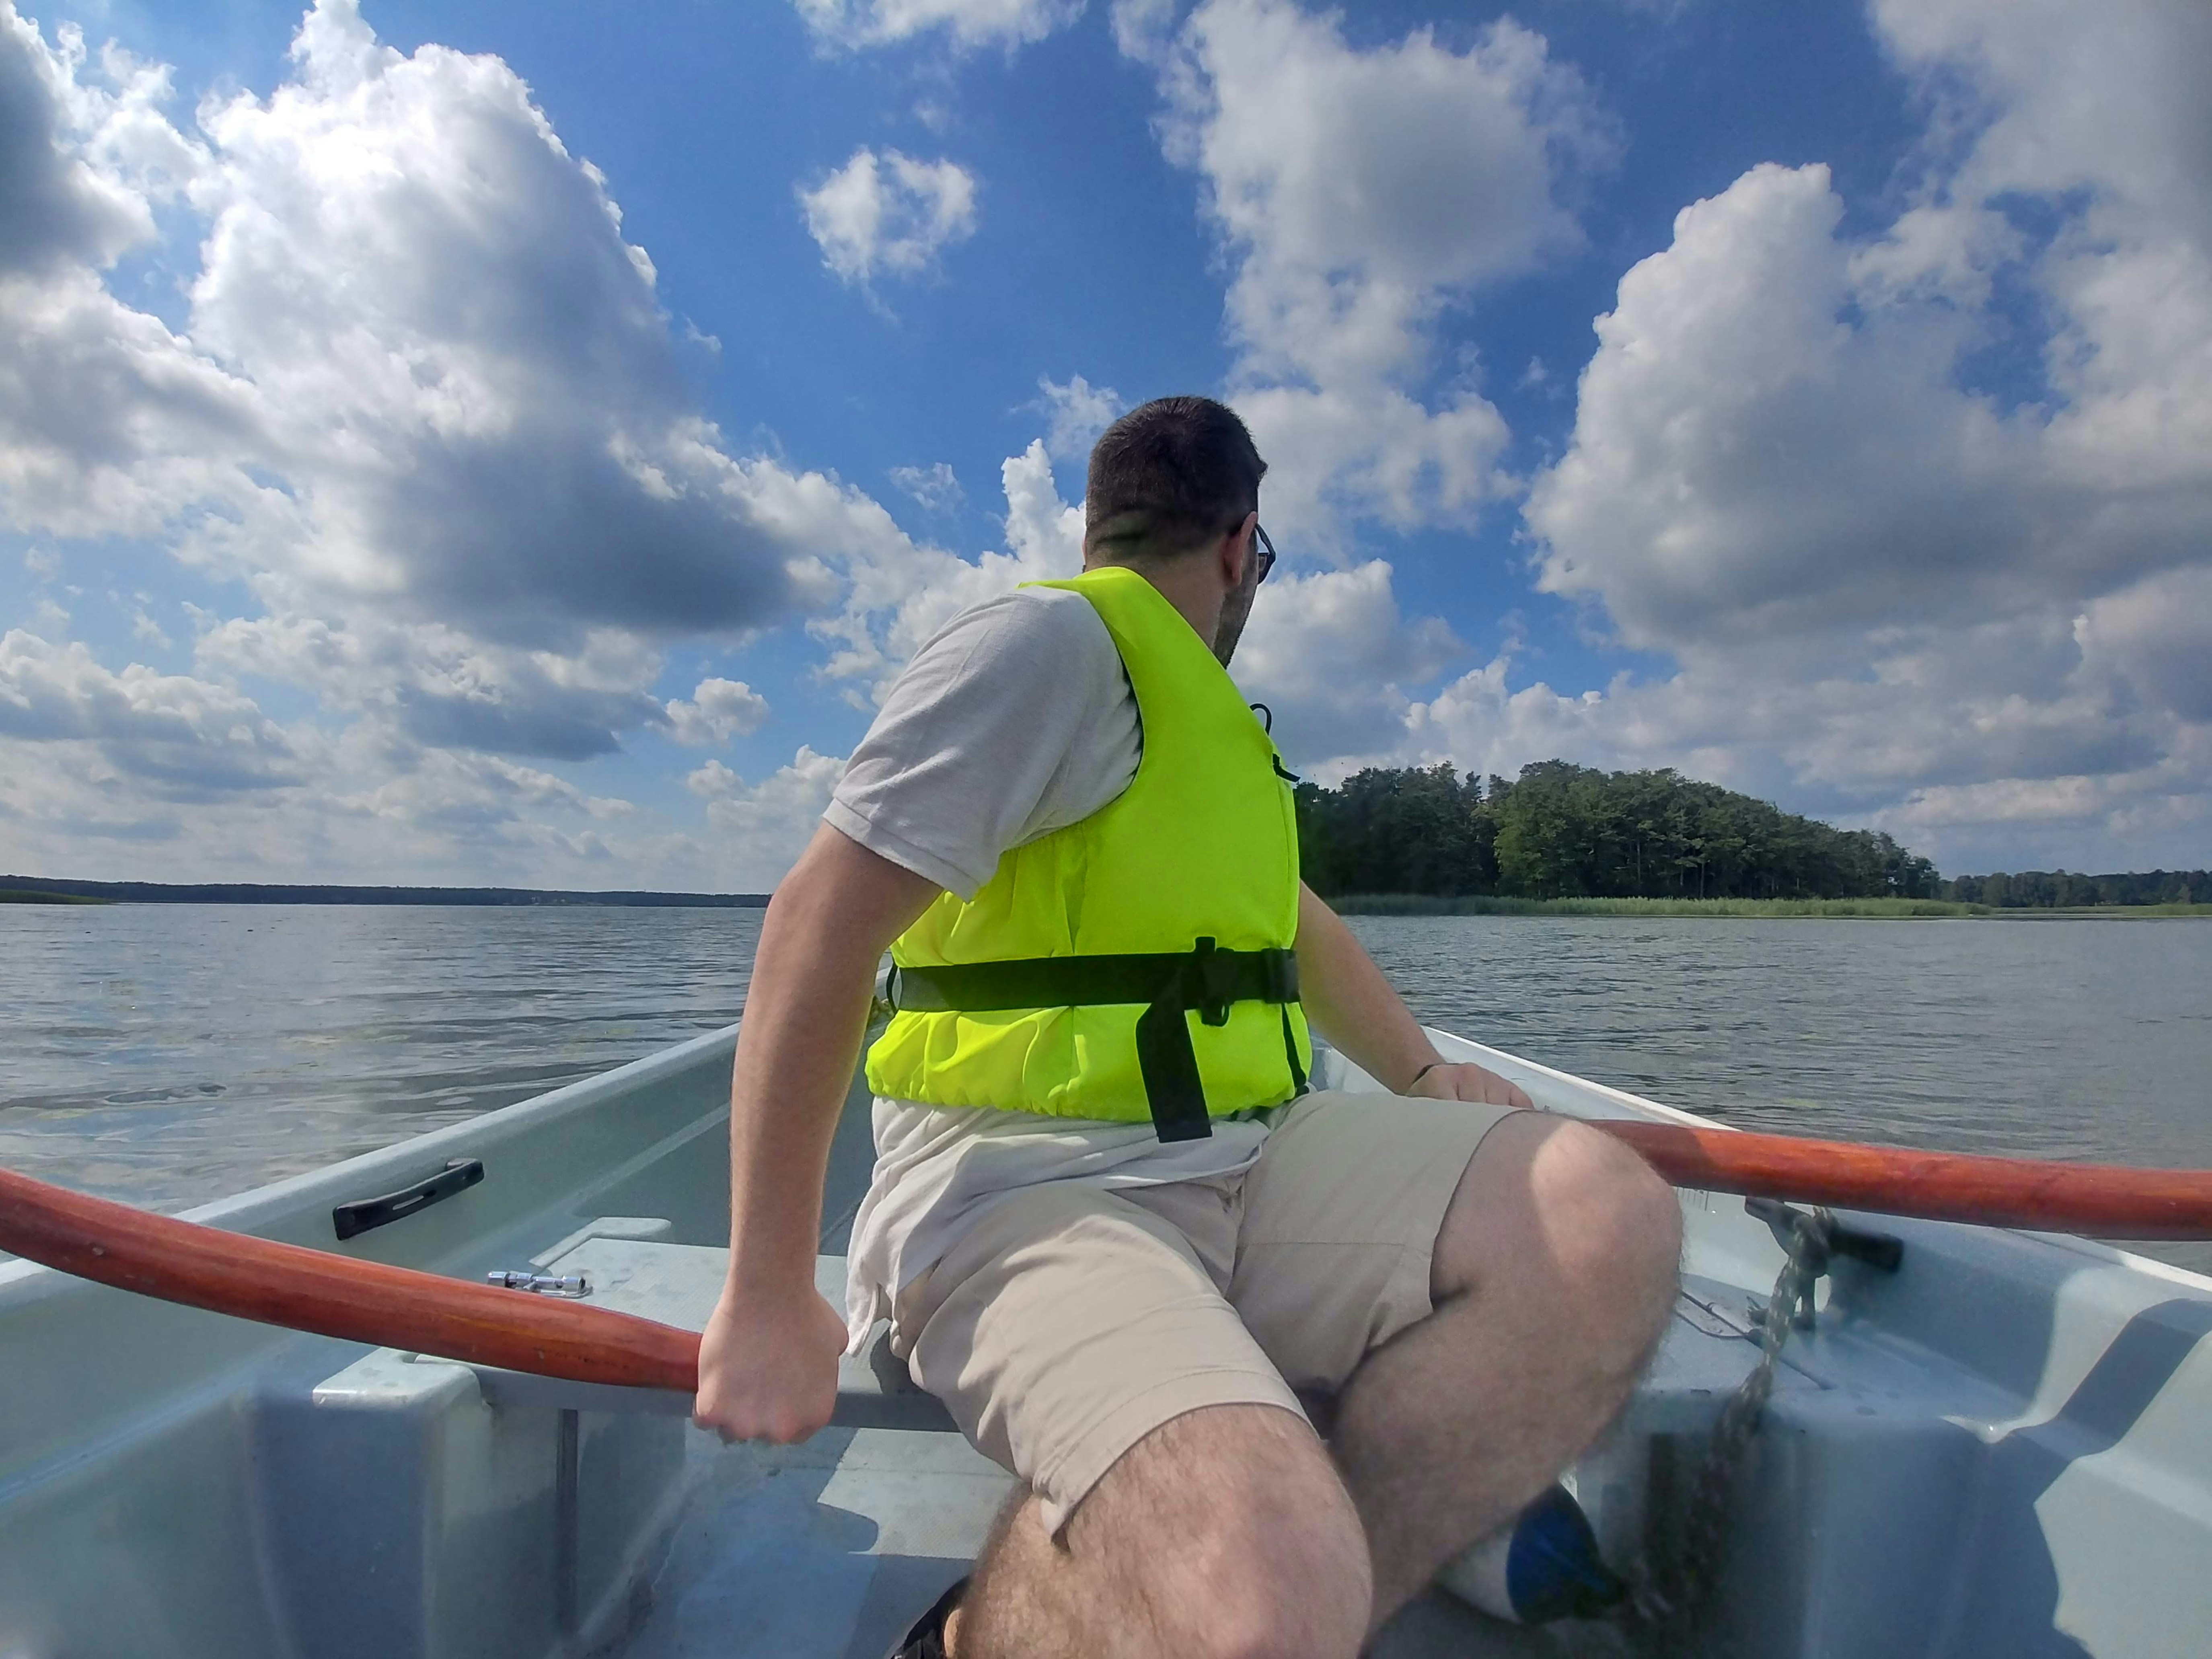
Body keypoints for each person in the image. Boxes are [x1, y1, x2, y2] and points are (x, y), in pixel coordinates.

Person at [691, 396, 1682, 1659]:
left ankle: (1303, 1592)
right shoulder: (1046, 647)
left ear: (1103, 523)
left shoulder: (1204, 734)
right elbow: (814, 927)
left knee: (1602, 1222)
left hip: (1248, 1154)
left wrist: (1426, 1073)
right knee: (1263, 1582)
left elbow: (1294, 929)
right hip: (1023, 1183)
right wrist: (768, 1289)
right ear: (1237, 547)